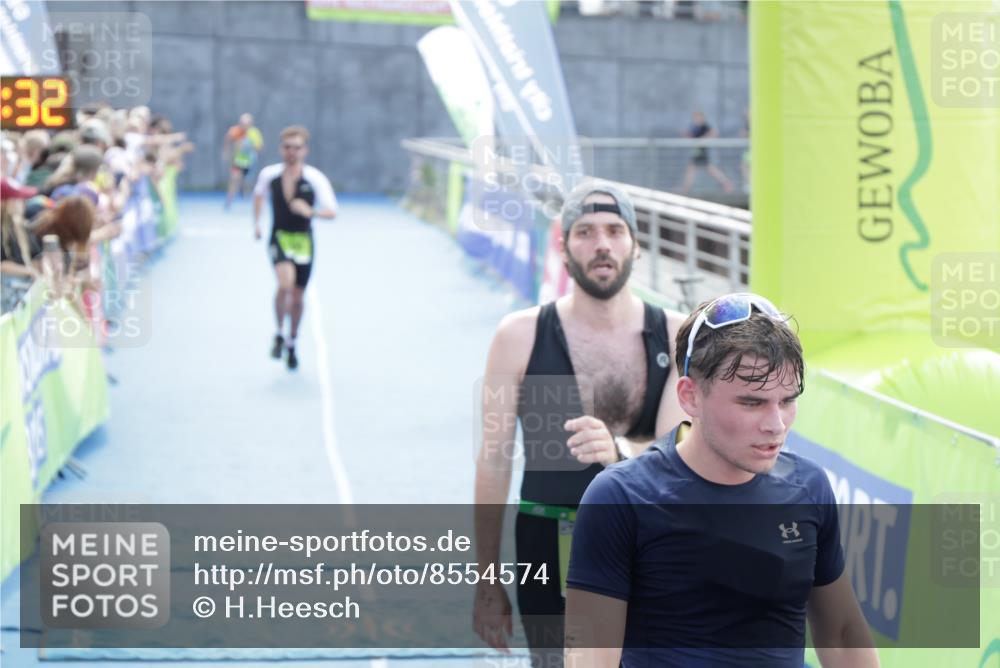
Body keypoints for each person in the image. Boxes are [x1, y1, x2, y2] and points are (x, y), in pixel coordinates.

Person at [564, 293, 879, 668]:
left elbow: (841, 632)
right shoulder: (619, 499)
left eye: (787, 401)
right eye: (751, 403)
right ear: (690, 396)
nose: (776, 425)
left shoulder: (808, 487)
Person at [473, 180, 688, 667]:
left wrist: (619, 453)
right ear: (564, 247)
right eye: (585, 232)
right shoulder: (520, 336)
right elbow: (493, 464)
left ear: (635, 244)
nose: (602, 244)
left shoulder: (676, 335)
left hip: (650, 545)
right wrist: (487, 578)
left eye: (615, 230)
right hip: (549, 543)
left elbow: (677, 459)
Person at [252, 125, 337, 371]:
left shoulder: (315, 178)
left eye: (297, 148)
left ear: (304, 150)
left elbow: (332, 211)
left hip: (304, 241)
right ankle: (279, 331)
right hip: (279, 236)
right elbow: (258, 196)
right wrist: (257, 223)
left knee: (298, 297)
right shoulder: (270, 175)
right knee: (284, 284)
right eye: (287, 147)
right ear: (281, 149)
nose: (292, 152)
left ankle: (292, 341)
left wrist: (310, 212)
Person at [679, 110, 733, 195]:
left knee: (708, 170)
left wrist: (703, 139)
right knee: (692, 170)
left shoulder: (705, 126)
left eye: (697, 118)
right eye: (695, 118)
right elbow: (691, 136)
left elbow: (715, 133)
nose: (696, 120)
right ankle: (685, 188)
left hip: (702, 153)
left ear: (701, 118)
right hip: (697, 152)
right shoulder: (695, 127)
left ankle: (727, 184)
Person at [224, 113, 264, 209]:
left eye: (246, 124)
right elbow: (227, 141)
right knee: (234, 179)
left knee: (248, 183)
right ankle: (228, 202)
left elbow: (259, 148)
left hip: (250, 162)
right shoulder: (234, 131)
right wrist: (227, 152)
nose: (244, 126)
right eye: (242, 123)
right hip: (238, 162)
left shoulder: (254, 133)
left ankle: (245, 193)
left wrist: (250, 144)